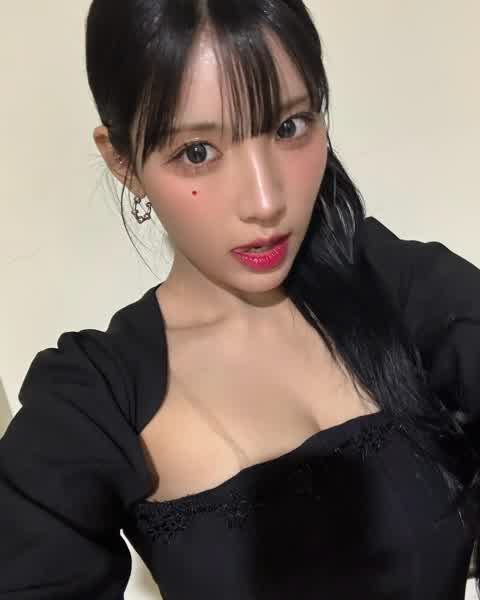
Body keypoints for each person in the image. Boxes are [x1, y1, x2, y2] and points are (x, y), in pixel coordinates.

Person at [1, 1, 480, 598]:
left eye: (289, 127)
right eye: (196, 152)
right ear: (123, 161)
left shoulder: (398, 284)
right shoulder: (98, 399)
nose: (264, 201)